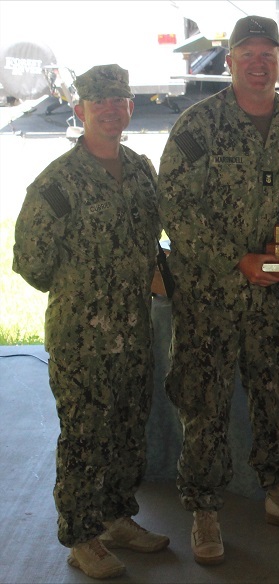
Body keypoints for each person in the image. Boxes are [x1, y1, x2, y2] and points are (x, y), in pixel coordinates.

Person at [157, 15, 279, 565]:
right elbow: (175, 211)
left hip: (277, 298)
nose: (258, 64)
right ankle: (204, 509)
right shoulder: (197, 125)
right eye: (247, 54)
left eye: (268, 55)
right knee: (204, 402)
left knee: (276, 396)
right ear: (229, 62)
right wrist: (238, 260)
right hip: (210, 295)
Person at [12, 64, 169, 579]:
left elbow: (155, 240)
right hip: (83, 335)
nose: (110, 109)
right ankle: (81, 535)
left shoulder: (142, 169)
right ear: (80, 111)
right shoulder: (57, 183)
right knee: (85, 434)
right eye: (98, 102)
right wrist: (88, 284)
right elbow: (32, 264)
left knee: (128, 426)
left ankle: (116, 517)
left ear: (129, 107)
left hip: (135, 327)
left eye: (118, 100)